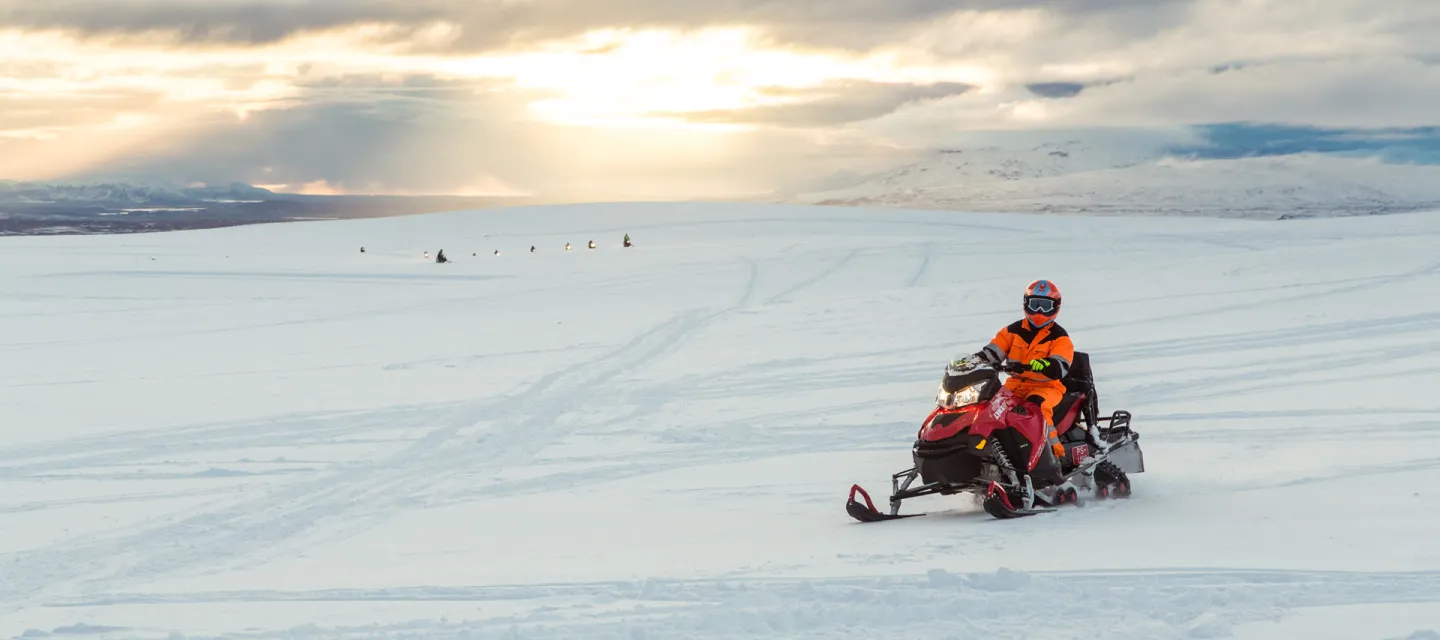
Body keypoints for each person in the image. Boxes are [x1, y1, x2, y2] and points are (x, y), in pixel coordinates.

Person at [963, 280, 1072, 463]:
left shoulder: (1060, 338)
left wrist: (1044, 365)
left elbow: (1060, 365)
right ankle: (985, 453)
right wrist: (974, 361)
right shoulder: (1012, 331)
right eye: (1034, 304)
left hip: (1046, 386)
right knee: (988, 406)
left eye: (1045, 307)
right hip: (1014, 385)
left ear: (1055, 308)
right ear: (1025, 304)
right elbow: (993, 351)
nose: (1038, 312)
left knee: (1036, 407)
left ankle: (1054, 455)